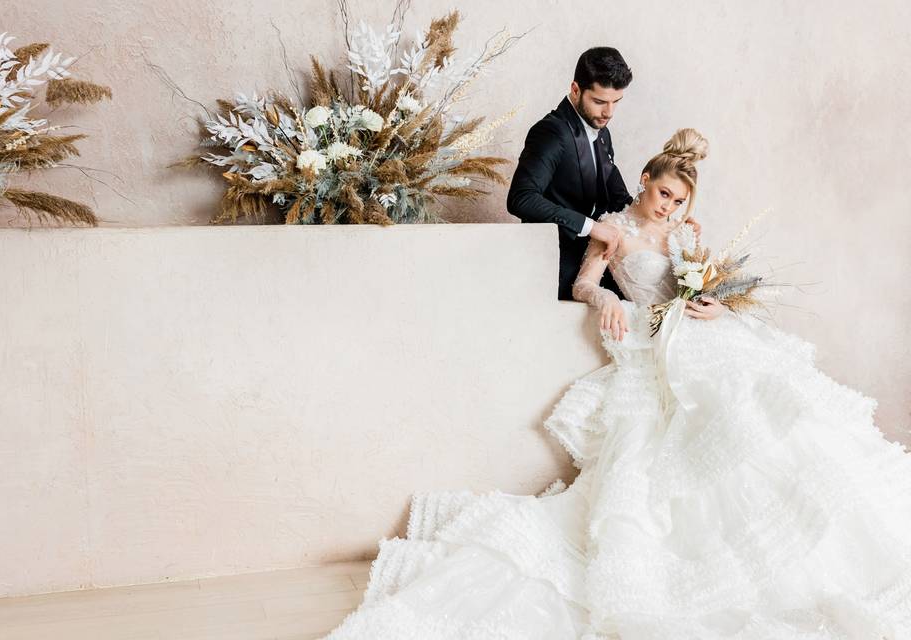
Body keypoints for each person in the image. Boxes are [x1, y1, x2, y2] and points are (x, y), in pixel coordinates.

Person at [323, 129, 911, 639]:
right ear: (644, 181)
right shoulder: (614, 231)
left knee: (765, 412)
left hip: (700, 332)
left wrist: (714, 301)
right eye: (663, 195)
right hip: (656, 339)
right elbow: (584, 284)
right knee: (692, 433)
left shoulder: (685, 232)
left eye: (680, 202)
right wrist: (608, 301)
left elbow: (704, 283)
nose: (670, 209)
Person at [507, 47, 700, 301]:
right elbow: (520, 198)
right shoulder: (551, 133)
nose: (608, 112)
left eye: (615, 102)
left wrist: (669, 226)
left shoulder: (601, 133)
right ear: (575, 90)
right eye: (599, 102)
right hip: (554, 266)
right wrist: (591, 227)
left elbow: (620, 199)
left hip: (600, 263)